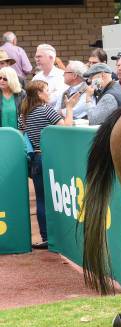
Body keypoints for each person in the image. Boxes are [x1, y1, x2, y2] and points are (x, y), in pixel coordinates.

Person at [18, 80, 79, 249]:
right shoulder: (46, 110)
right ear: (39, 94)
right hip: (51, 158)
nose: (49, 92)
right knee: (61, 198)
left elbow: (22, 134)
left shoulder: (24, 114)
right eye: (46, 90)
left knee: (42, 200)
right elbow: (66, 127)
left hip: (36, 159)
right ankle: (63, 236)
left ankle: (46, 236)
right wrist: (70, 108)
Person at [32, 44, 67, 108]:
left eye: (39, 56)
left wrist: (40, 98)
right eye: (36, 57)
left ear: (51, 58)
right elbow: (31, 99)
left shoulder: (62, 76)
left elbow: (59, 98)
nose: (37, 59)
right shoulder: (36, 78)